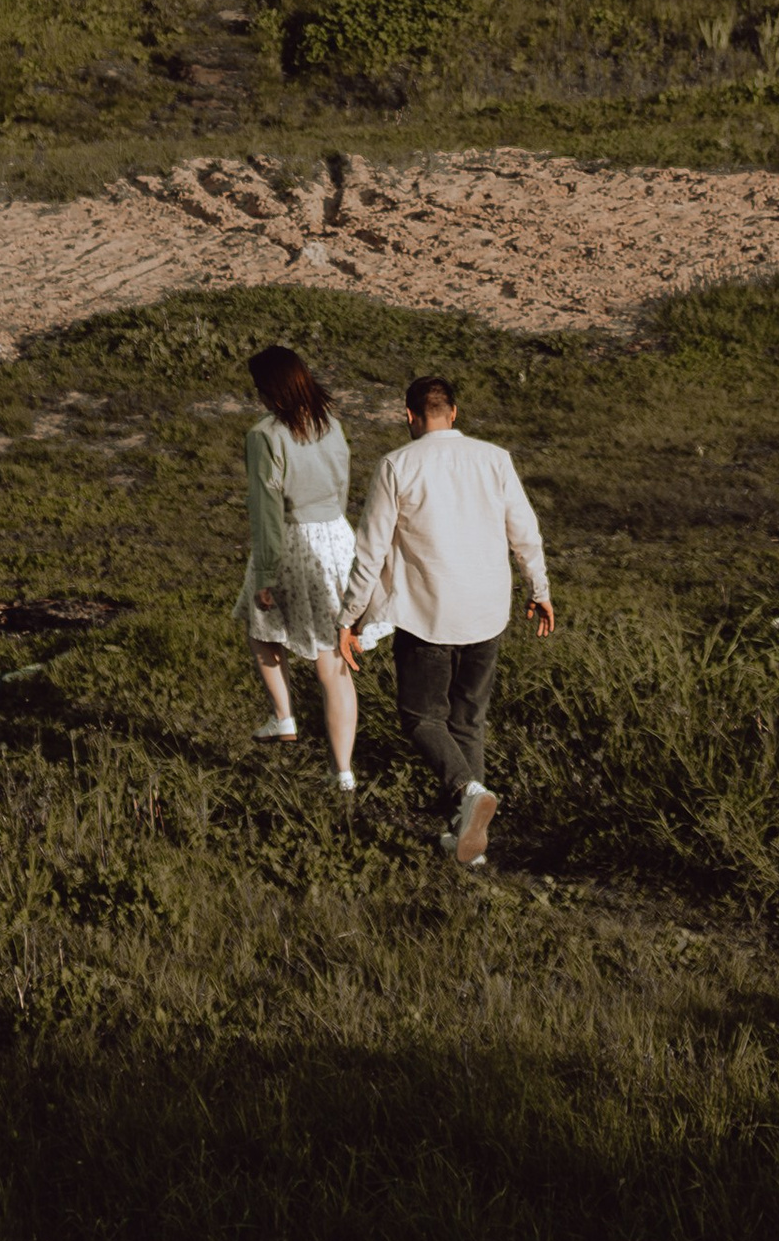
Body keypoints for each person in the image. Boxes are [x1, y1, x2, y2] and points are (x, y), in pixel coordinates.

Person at [337, 372, 552, 868]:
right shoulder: (495, 459)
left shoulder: (396, 465)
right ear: (453, 413)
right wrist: (538, 589)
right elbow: (525, 531)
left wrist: (349, 617)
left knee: (420, 717)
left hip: (427, 613)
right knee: (468, 718)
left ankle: (467, 790)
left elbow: (369, 552)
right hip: (487, 610)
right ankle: (467, 842)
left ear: (409, 417)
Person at [237, 341, 363, 791]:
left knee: (261, 629)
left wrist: (267, 573)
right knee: (334, 661)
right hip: (336, 535)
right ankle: (343, 772)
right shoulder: (330, 425)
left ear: (270, 390)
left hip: (291, 539)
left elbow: (265, 509)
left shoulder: (264, 435)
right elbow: (345, 481)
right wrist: (336, 526)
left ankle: (284, 716)